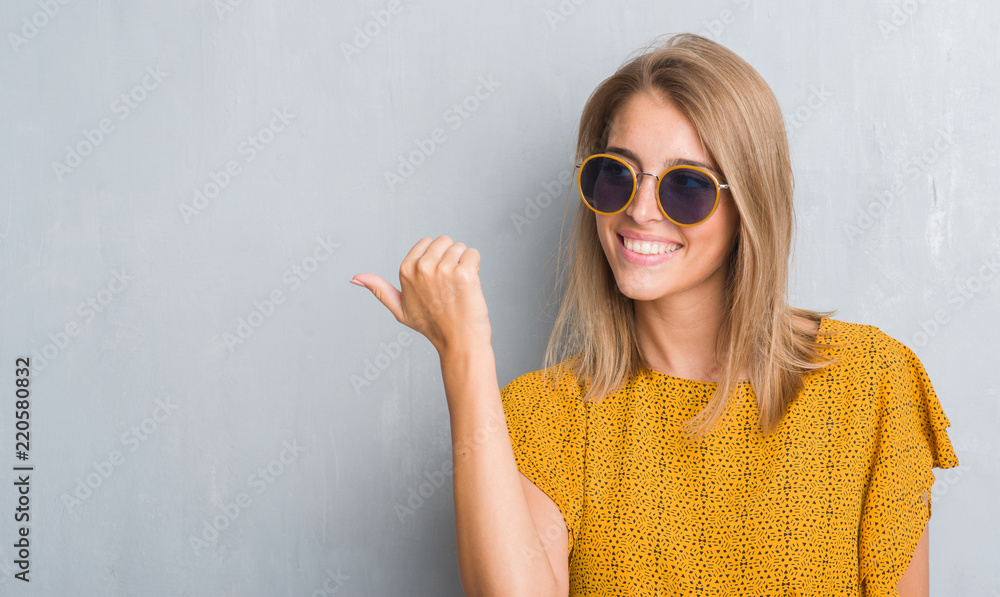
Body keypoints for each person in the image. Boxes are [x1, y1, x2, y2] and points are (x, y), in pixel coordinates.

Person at [350, 33, 959, 597]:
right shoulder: (545, 416)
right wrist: (464, 355)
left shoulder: (869, 381)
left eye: (686, 186)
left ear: (749, 204)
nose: (639, 211)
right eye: (616, 175)